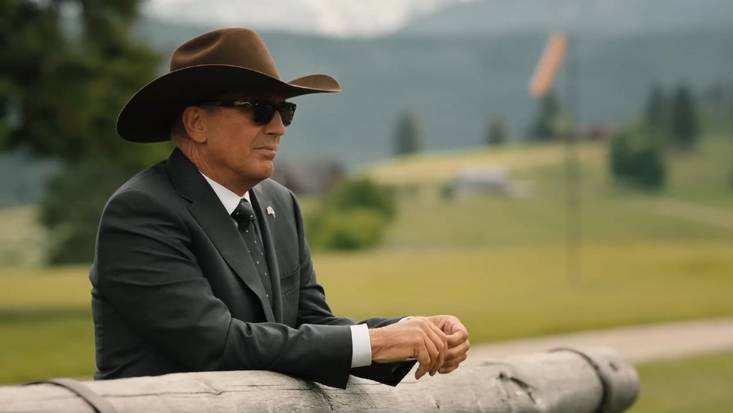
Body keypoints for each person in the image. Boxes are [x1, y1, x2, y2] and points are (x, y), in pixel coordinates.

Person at [90, 27, 469, 389]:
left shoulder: (279, 203)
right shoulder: (141, 212)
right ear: (196, 123)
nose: (278, 128)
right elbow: (217, 344)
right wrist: (379, 342)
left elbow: (311, 322)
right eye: (258, 110)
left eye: (283, 112)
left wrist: (416, 333)